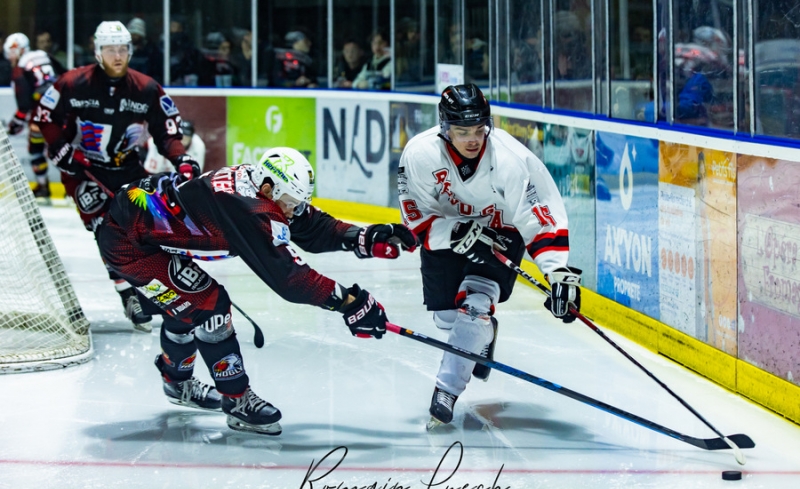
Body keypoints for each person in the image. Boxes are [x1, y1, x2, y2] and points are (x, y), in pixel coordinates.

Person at [95, 147, 418, 435]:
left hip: (146, 232)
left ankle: (176, 383)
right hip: (129, 246)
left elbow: (310, 226)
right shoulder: (246, 207)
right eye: (289, 203)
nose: (292, 210)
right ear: (267, 188)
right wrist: (350, 302)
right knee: (211, 307)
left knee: (185, 307)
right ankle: (236, 401)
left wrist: (364, 237)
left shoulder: (261, 186)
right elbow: (289, 278)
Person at [397, 84, 582, 428]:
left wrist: (557, 274)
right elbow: (415, 217)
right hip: (447, 234)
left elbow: (536, 216)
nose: (472, 139)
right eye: (462, 131)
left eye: (479, 130)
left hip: (501, 230)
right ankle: (484, 334)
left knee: (475, 306)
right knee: (448, 318)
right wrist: (451, 232)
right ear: (444, 127)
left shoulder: (510, 161)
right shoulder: (420, 155)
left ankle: (445, 391)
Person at [32, 21, 201, 333]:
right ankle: (127, 294)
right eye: (110, 49)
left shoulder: (146, 88)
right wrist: (60, 149)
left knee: (148, 229)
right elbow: (45, 116)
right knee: (105, 228)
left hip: (127, 170)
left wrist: (181, 158)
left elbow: (168, 130)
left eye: (123, 48)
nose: (117, 55)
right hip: (85, 172)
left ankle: (159, 292)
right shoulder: (73, 83)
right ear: (98, 51)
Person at [4, 32, 67, 199]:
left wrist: (13, 125)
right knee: (65, 148)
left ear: (18, 50)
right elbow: (66, 75)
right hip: (64, 106)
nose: (10, 58)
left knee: (36, 148)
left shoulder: (20, 69)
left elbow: (24, 106)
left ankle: (42, 185)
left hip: (43, 112)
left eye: (10, 53)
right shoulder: (43, 54)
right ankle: (74, 187)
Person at [126, 18, 163, 83]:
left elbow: (156, 72)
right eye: (131, 33)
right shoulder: (125, 50)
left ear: (142, 35)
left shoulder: (152, 51)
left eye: (136, 34)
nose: (133, 36)